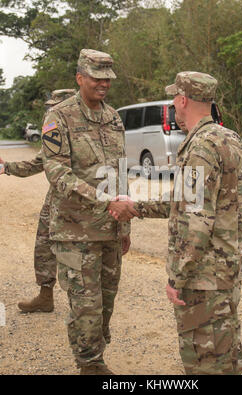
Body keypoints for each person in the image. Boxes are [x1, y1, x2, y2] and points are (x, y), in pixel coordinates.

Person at [111, 71, 242, 375]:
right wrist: (137, 207)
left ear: (183, 99)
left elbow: (196, 218)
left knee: (204, 358)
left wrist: (179, 276)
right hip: (227, 268)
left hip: (203, 277)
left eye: (175, 99)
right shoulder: (229, 138)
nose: (174, 107)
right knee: (226, 350)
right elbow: (193, 200)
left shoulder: (200, 146)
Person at [41, 49, 138, 375]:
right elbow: (57, 172)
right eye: (96, 77)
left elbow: (121, 171)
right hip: (74, 230)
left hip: (110, 228)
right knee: (86, 306)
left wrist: (124, 223)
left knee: (106, 304)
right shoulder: (59, 117)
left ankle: (95, 351)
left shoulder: (113, 118)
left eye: (107, 78)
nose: (103, 84)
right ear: (80, 78)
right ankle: (90, 365)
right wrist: (103, 200)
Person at [0, 89, 76, 313]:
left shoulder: (83, 135)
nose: (49, 111)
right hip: (54, 199)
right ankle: (45, 296)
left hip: (78, 201)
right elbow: (37, 163)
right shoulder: (53, 136)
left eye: (54, 107)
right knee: (44, 245)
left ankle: (84, 302)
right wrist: (7, 167)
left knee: (79, 249)